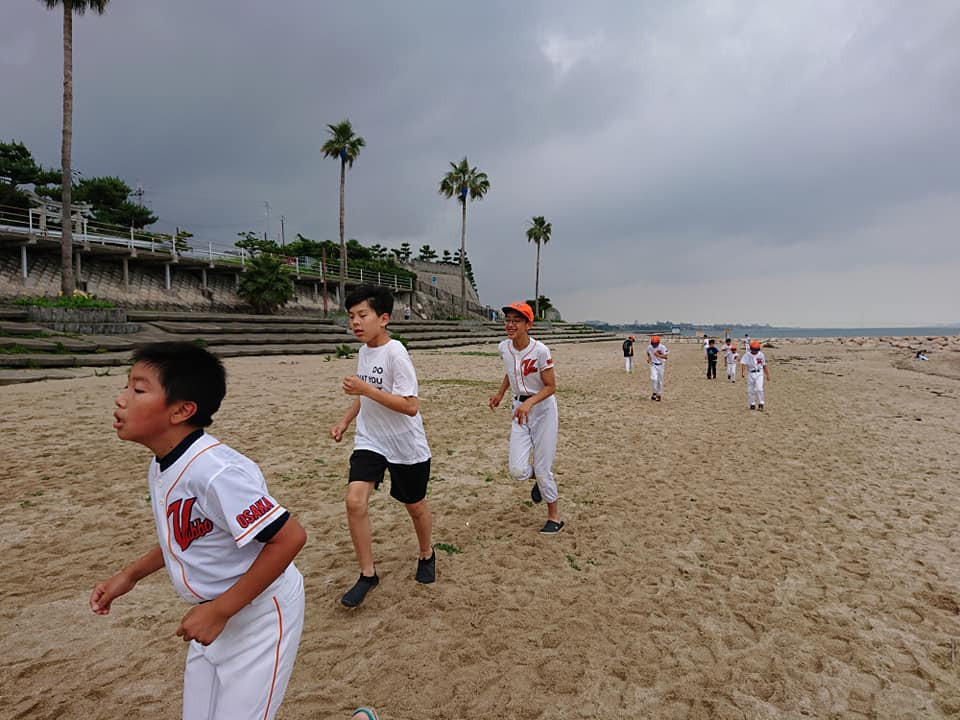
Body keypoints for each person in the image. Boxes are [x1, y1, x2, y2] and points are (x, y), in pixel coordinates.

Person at [91, 341, 307, 720]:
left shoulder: (215, 472)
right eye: (127, 386)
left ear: (182, 410)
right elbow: (185, 538)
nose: (122, 398)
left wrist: (221, 610)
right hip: (213, 615)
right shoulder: (164, 464)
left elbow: (289, 537)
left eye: (138, 389)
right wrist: (130, 575)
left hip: (259, 615)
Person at [330, 285, 435, 607]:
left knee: (414, 506)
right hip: (371, 439)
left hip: (404, 444)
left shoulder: (396, 353)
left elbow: (410, 406)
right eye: (351, 316)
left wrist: (365, 389)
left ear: (384, 318)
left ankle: (427, 553)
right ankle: (367, 574)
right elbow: (366, 396)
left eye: (363, 315)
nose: (356, 323)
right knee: (354, 501)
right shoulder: (364, 351)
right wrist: (346, 420)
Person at [489, 301, 563, 534]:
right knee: (518, 470)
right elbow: (512, 371)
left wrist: (531, 402)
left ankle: (554, 517)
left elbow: (551, 386)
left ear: (528, 324)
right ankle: (540, 483)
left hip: (543, 411)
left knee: (543, 470)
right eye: (508, 320)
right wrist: (501, 393)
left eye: (516, 321)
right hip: (518, 410)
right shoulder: (504, 348)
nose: (510, 325)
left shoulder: (541, 351)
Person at [740, 340, 770, 410]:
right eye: (753, 350)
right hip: (750, 373)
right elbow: (743, 363)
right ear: (751, 349)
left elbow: (764, 365)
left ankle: (761, 403)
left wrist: (767, 375)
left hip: (759, 373)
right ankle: (752, 403)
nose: (755, 351)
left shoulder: (761, 355)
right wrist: (743, 372)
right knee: (751, 390)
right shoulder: (747, 355)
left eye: (756, 350)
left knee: (759, 389)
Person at [646, 335, 669, 401]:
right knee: (653, 379)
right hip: (653, 365)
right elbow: (648, 353)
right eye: (652, 343)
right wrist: (649, 359)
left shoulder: (662, 347)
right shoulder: (650, 347)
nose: (653, 345)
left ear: (658, 343)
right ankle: (654, 392)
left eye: (655, 344)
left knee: (659, 381)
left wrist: (658, 355)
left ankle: (658, 395)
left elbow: (666, 357)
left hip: (661, 365)